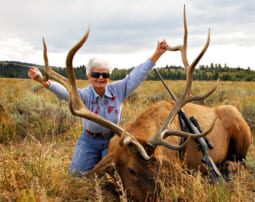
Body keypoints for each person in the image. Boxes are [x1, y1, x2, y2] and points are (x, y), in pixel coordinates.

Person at [28, 40, 168, 176]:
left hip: (113, 140)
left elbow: (137, 75)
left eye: (105, 74)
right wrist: (41, 79)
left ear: (109, 76)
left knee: (112, 175)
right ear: (89, 76)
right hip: (89, 140)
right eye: (96, 74)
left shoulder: (118, 89)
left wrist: (157, 53)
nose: (101, 78)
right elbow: (66, 92)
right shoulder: (83, 95)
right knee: (76, 175)